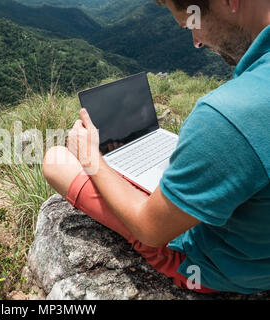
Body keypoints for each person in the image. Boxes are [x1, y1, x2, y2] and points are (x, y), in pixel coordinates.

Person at [42, 0, 270, 294]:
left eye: (190, 24)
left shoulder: (227, 117)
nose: (196, 42)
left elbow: (150, 230)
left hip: (221, 269)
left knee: (57, 160)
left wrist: (92, 160)